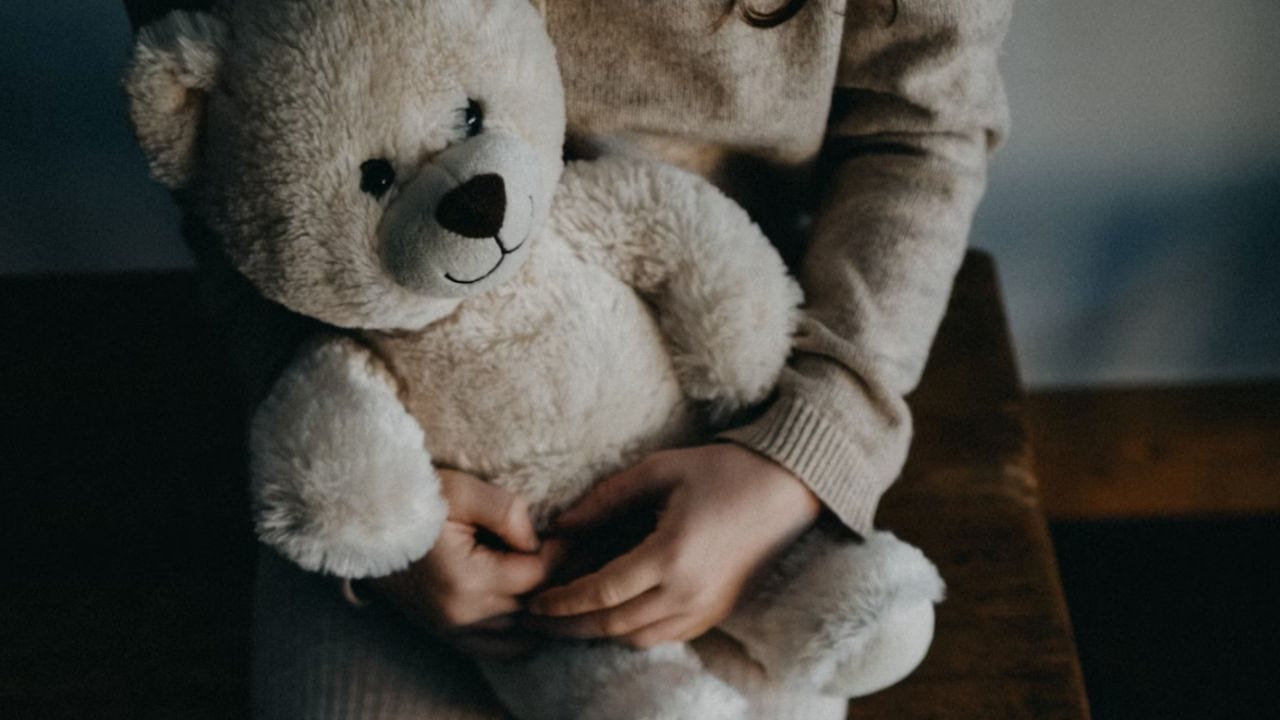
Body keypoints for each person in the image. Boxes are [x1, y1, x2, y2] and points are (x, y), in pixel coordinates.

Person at [219, 0, 1012, 718]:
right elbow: (230, 164)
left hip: (751, 415)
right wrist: (383, 531)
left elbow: (920, 129)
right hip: (407, 423)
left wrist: (807, 450)